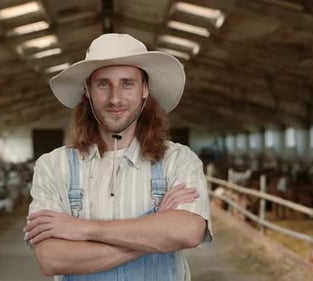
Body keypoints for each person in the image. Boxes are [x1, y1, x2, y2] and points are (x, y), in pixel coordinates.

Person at [23, 33, 212, 281]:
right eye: (103, 84)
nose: (115, 98)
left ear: (145, 89)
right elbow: (51, 258)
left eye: (127, 83)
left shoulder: (178, 159)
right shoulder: (52, 166)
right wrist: (155, 229)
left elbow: (188, 232)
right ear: (87, 90)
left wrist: (83, 229)